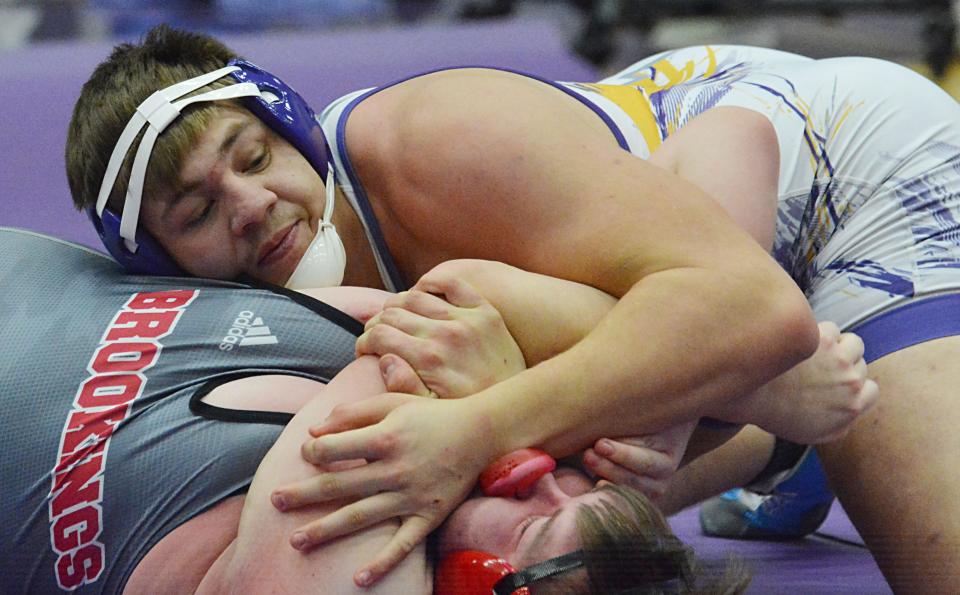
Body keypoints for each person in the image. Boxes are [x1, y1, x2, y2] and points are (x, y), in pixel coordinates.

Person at [64, 27, 950, 590]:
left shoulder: (437, 143)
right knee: (505, 483)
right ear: (162, 262)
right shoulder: (228, 310)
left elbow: (756, 310)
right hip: (699, 282)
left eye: (254, 158)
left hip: (841, 178)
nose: (249, 206)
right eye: (197, 211)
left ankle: (771, 415)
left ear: (291, 126)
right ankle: (776, 433)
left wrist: (479, 427)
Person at [4, 227, 759, 594]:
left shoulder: (353, 567)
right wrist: (733, 403)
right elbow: (458, 297)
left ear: (478, 579)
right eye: (582, 484)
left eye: (535, 522)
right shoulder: (468, 437)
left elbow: (455, 315)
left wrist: (504, 397)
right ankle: (785, 449)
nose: (537, 468)